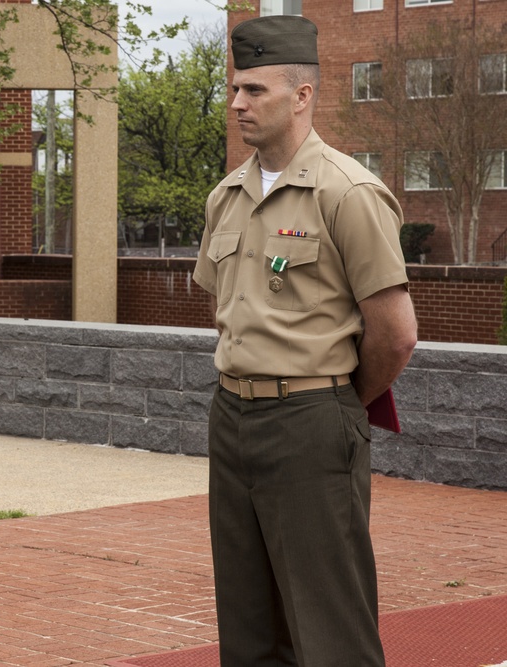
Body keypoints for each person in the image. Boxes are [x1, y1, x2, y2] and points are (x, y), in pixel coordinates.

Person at [193, 15, 417, 667]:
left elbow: (395, 334)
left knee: (329, 630)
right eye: (235, 89)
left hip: (311, 421)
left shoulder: (347, 193)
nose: (238, 103)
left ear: (301, 96)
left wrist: (336, 401)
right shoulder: (225, 199)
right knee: (248, 628)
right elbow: (228, 309)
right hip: (232, 418)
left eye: (255, 90)